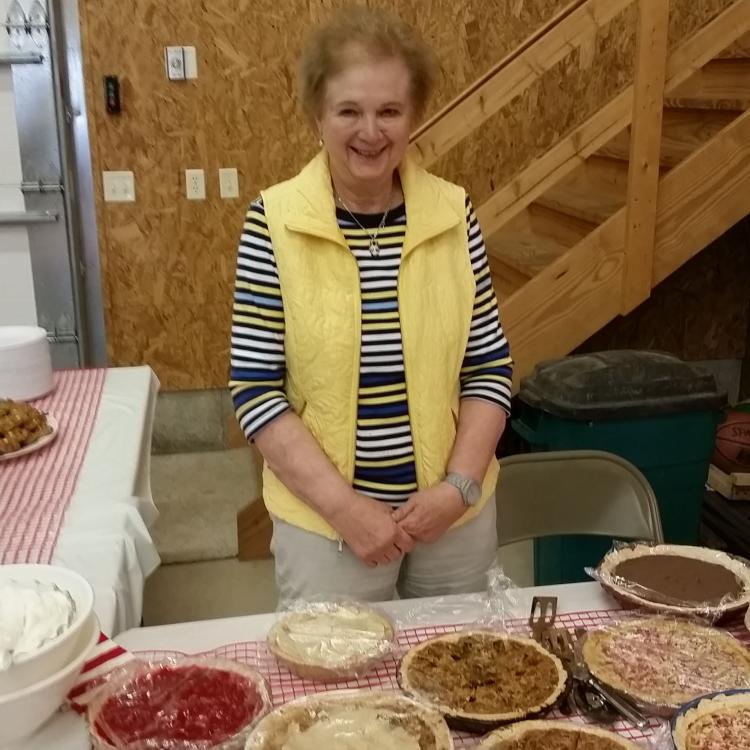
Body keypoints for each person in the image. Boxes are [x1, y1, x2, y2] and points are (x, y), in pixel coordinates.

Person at [229, 6, 513, 607]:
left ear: (413, 116)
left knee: (460, 684)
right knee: (339, 696)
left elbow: (487, 369)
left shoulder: (453, 213)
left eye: (389, 110)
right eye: (349, 110)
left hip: (452, 524)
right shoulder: (273, 222)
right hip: (328, 532)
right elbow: (256, 393)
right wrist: (347, 509)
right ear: (317, 116)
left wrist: (458, 489)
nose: (370, 131)